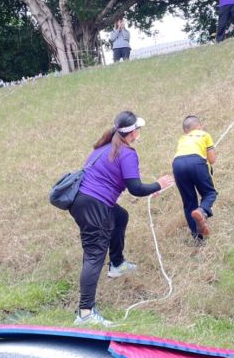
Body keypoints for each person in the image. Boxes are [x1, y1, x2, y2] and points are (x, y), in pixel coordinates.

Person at [69, 111, 174, 326]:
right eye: (138, 129)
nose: (139, 132)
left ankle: (117, 264)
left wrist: (149, 189)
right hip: (93, 205)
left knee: (120, 215)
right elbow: (135, 188)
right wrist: (159, 184)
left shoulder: (104, 147)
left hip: (84, 200)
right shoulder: (127, 152)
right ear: (133, 132)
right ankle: (85, 314)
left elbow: (124, 182)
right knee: (93, 255)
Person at [172, 116, 217, 242]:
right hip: (196, 162)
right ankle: (202, 211)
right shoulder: (204, 135)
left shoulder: (182, 138)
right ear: (199, 127)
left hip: (177, 164)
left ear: (185, 131)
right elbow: (212, 160)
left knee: (189, 202)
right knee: (210, 193)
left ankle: (198, 238)